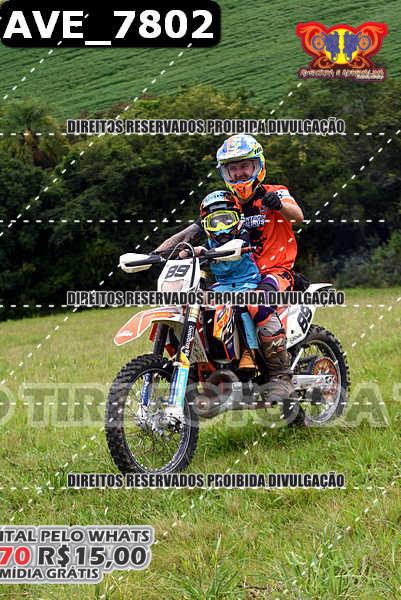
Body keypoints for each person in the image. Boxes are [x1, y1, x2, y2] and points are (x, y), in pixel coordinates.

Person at [155, 134, 304, 403]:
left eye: (244, 166)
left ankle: (281, 377)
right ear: (225, 172)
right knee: (193, 307)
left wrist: (278, 204)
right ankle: (205, 372)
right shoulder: (225, 204)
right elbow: (189, 233)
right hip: (235, 275)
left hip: (275, 271)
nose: (239, 173)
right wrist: (158, 253)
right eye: (232, 168)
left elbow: (298, 216)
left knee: (256, 303)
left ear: (258, 165)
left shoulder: (275, 192)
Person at [191, 189, 262, 371]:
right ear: (207, 226)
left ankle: (249, 350)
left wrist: (207, 253)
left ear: (237, 219)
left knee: (241, 306)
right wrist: (186, 252)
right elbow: (196, 251)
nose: (222, 227)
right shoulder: (210, 244)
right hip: (223, 285)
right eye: (214, 222)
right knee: (200, 307)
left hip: (247, 282)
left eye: (227, 219)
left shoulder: (242, 235)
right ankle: (204, 350)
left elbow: (239, 245)